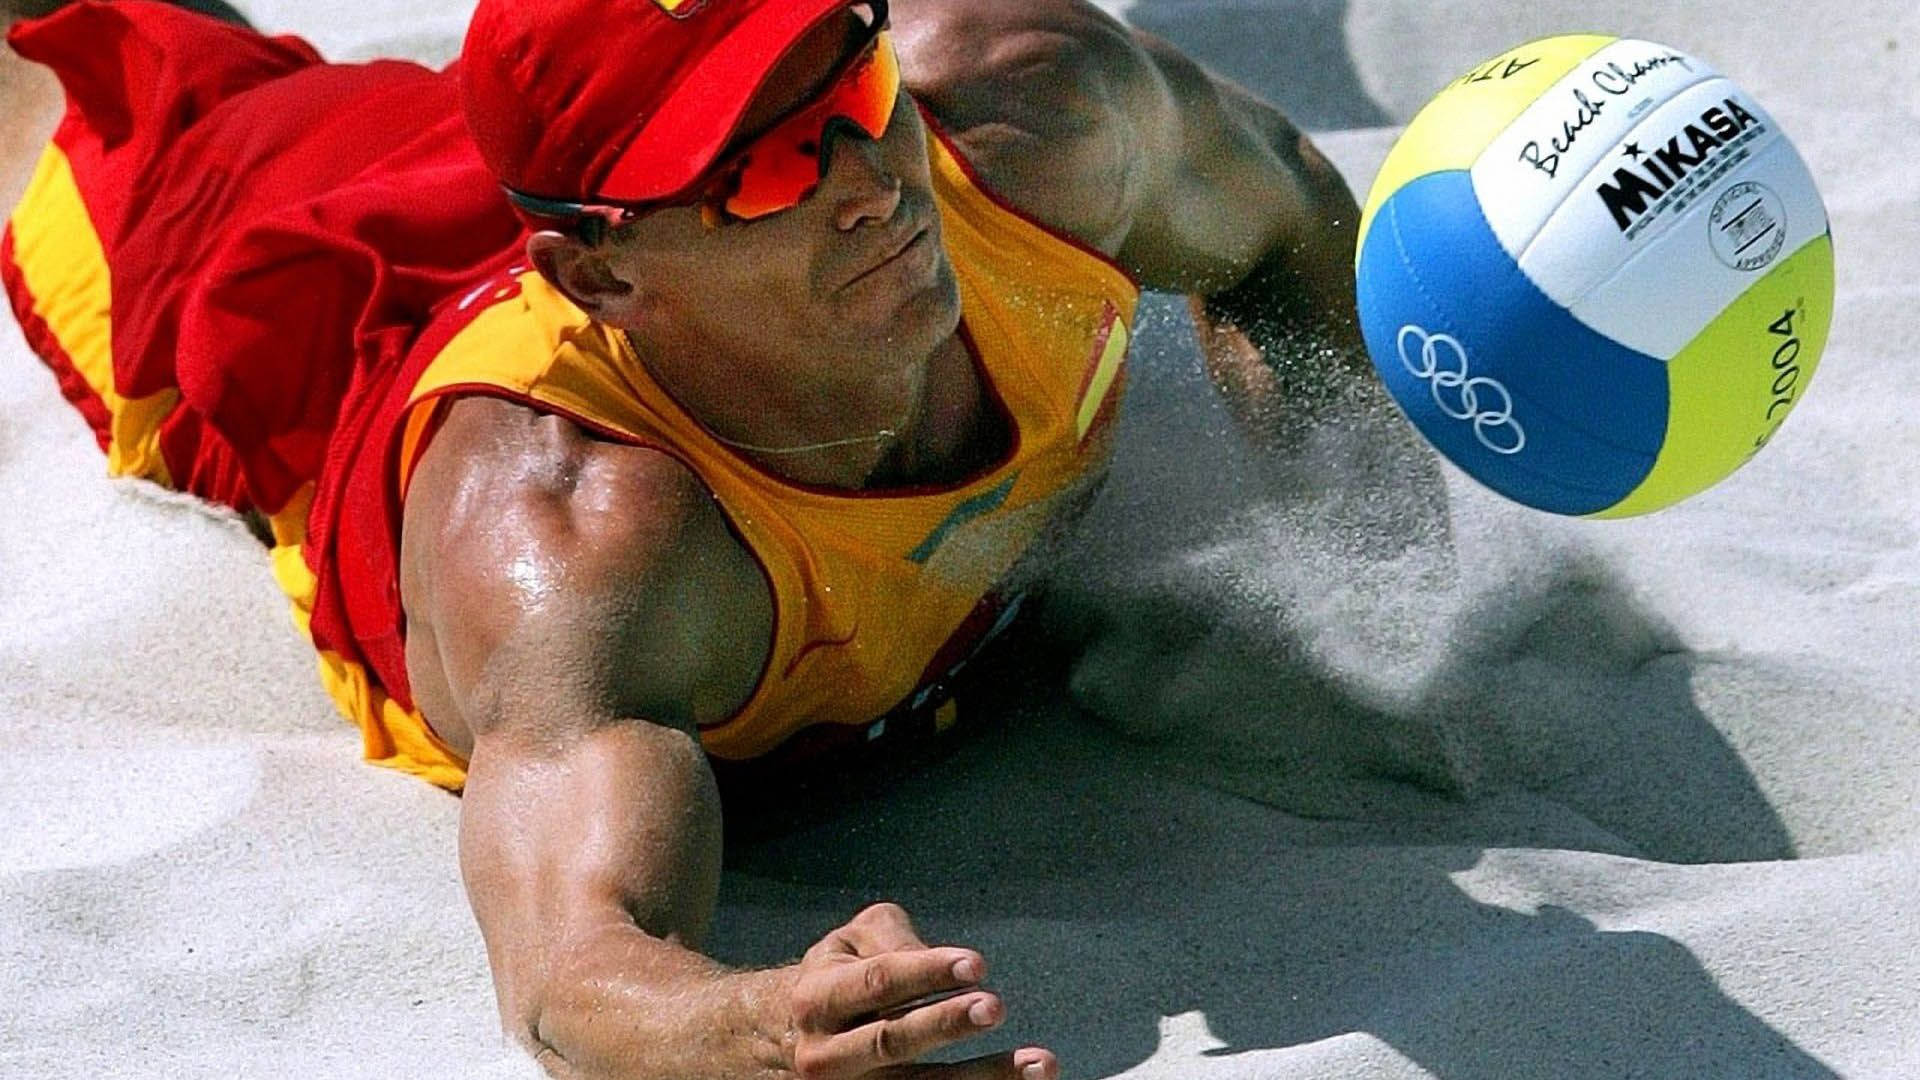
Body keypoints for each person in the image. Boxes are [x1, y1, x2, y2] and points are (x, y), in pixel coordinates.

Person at [0, 0, 1445, 1075]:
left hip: (584, 178)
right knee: (101, 74)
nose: (863, 179)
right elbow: (574, 973)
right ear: (595, 272)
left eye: (848, 74)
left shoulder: (1032, 125)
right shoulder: (579, 545)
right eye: (757, 171)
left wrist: (1382, 594)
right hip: (275, 265)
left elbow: (1296, 225)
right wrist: (755, 1026)